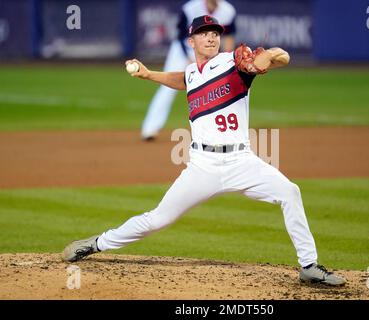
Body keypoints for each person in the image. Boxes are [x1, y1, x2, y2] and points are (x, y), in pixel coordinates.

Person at [62, 15, 346, 286]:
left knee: (289, 192)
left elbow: (282, 56)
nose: (211, 38)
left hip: (241, 161)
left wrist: (270, 56)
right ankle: (96, 243)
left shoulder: (233, 62)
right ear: (191, 42)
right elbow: (183, 80)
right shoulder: (192, 72)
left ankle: (308, 266)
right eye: (204, 34)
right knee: (158, 219)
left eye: (215, 34)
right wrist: (148, 75)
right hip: (202, 166)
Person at [141, 0, 236, 140]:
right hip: (182, 52)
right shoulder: (191, 8)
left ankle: (216, 130)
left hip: (208, 52)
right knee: (167, 87)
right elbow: (180, 36)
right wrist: (189, 59)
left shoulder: (228, 11)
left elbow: (228, 38)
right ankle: (150, 129)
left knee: (216, 88)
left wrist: (228, 62)